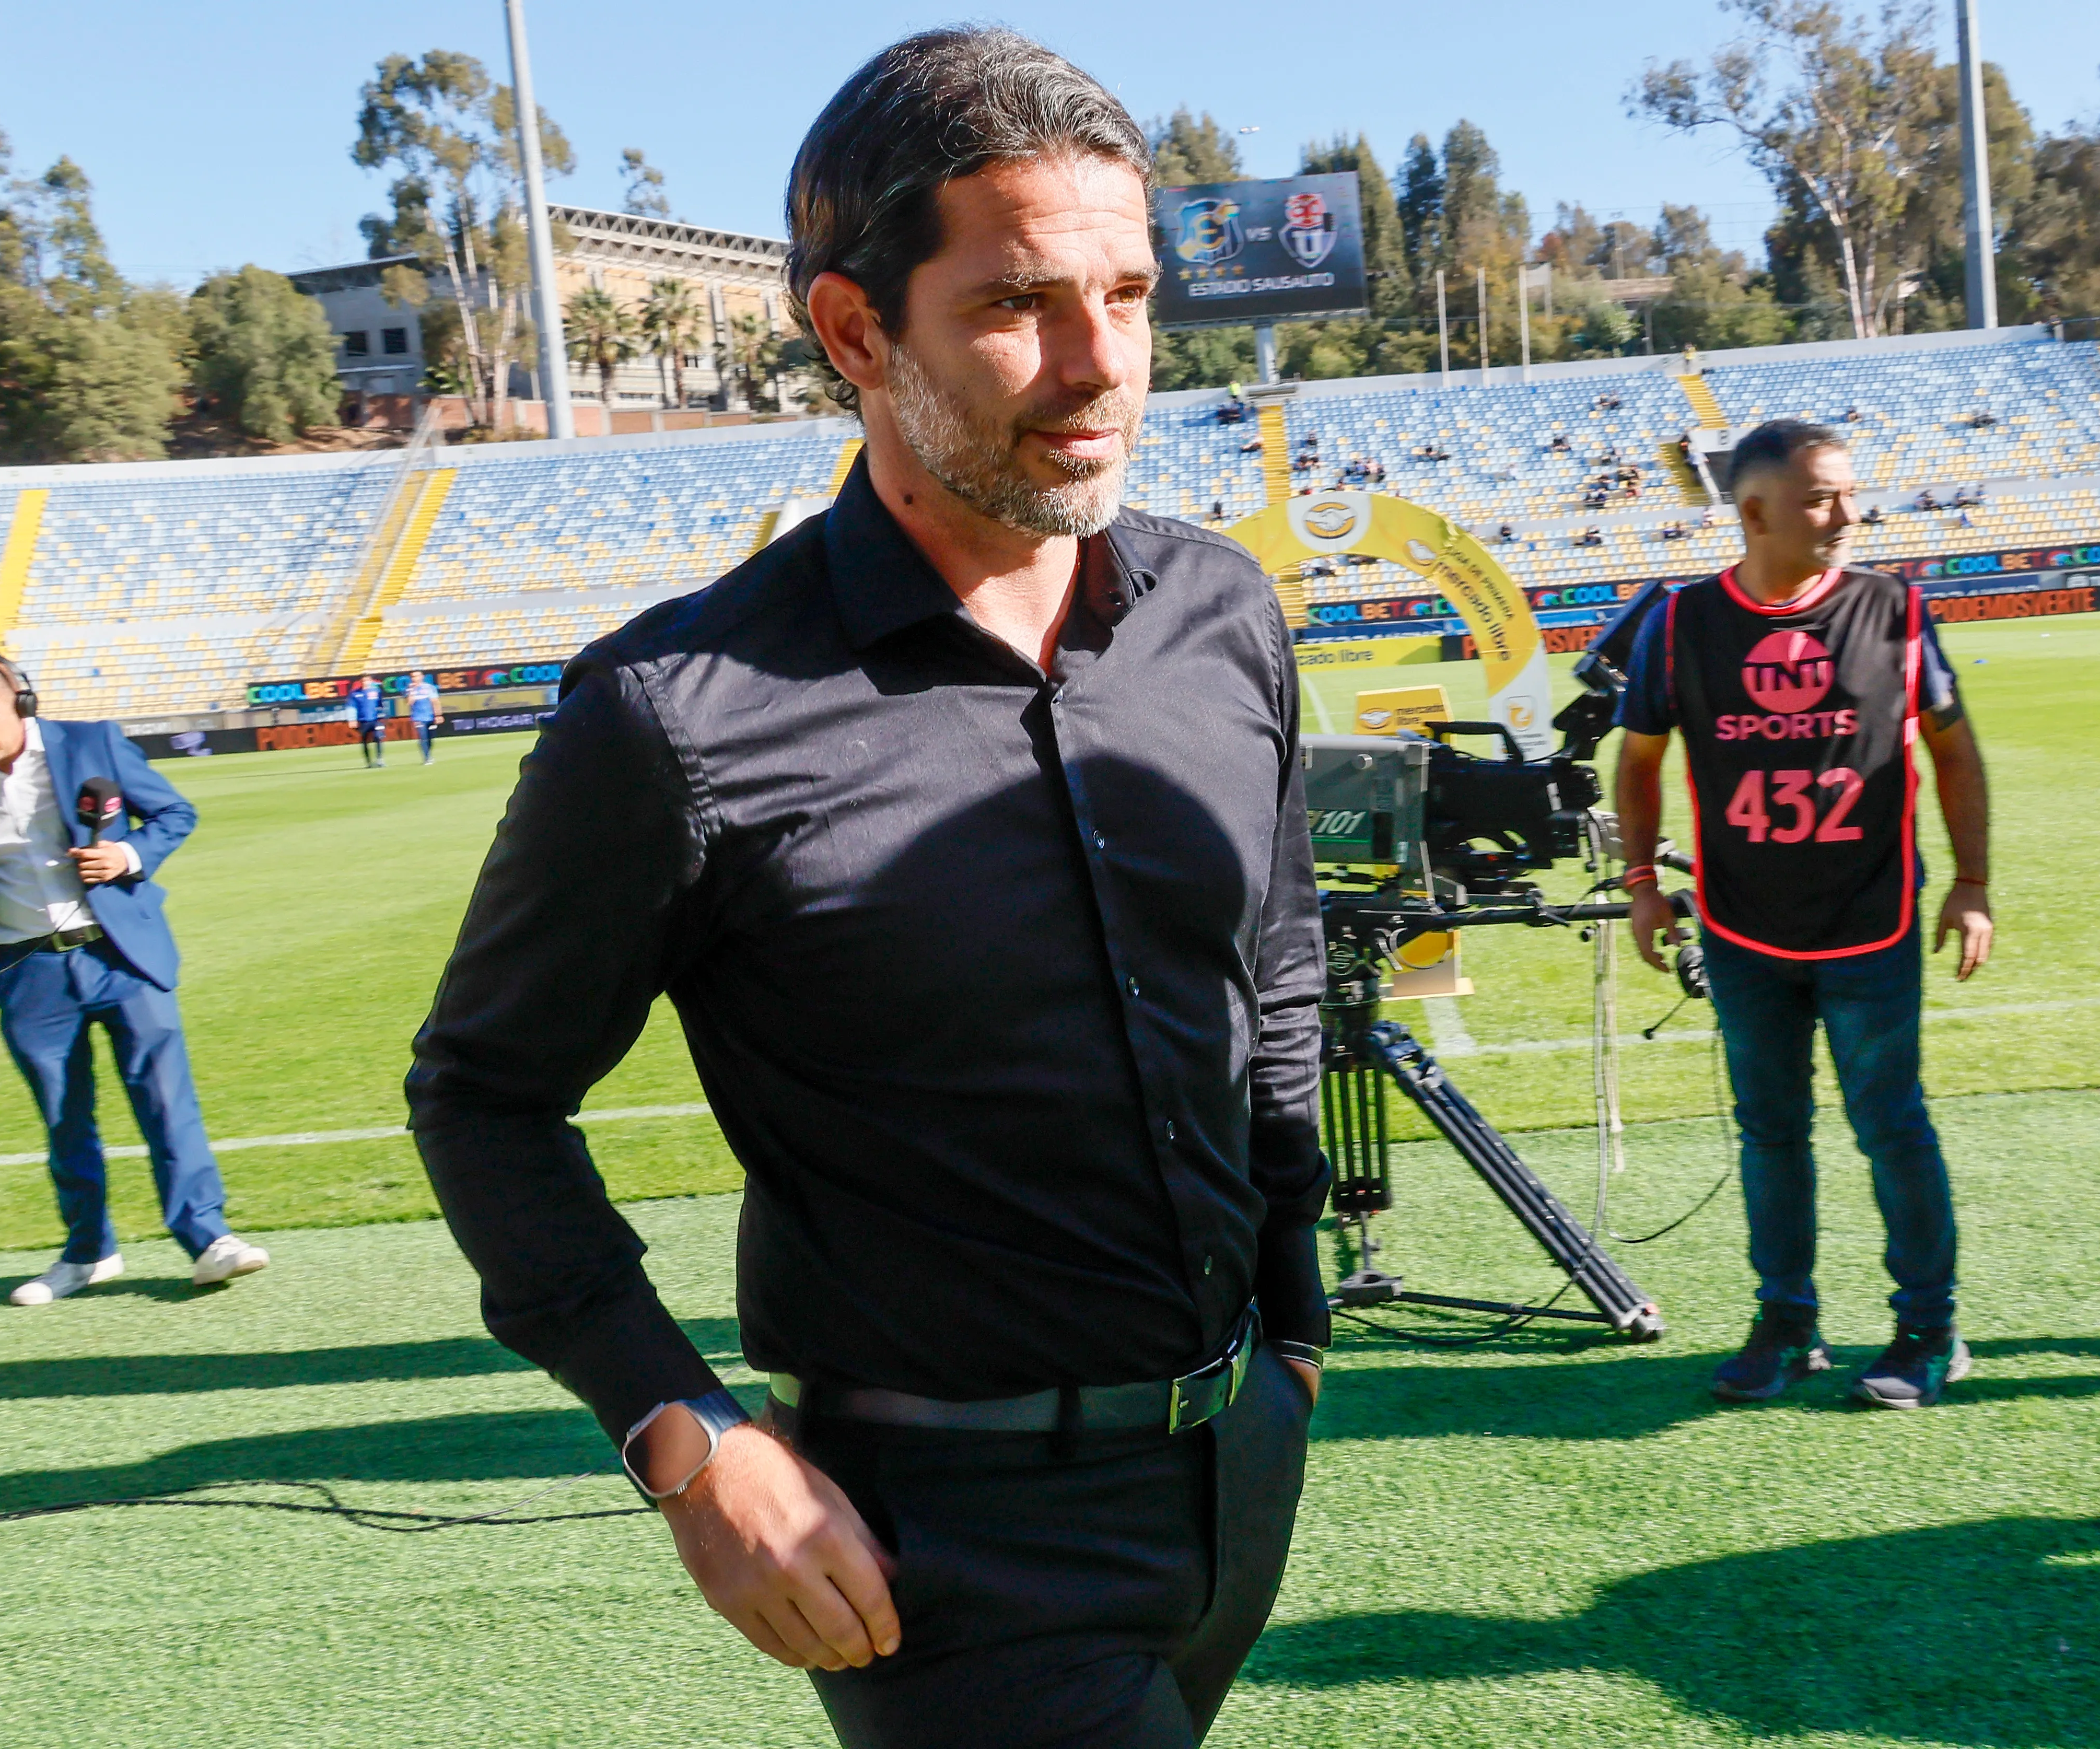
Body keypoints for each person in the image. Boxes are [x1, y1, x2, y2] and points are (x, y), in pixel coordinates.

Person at [407, 30, 1324, 1749]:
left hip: (1239, 1459)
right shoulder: (676, 713)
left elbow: (1270, 960)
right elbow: (483, 1094)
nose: (1099, 365)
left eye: (1128, 296)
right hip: (942, 1547)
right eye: (1018, 305)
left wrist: (1294, 1319)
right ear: (851, 331)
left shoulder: (1225, 613)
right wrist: (681, 1428)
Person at [1616, 419, 1994, 1409]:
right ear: (1754, 513)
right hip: (1745, 929)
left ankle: (1929, 1328)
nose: (1846, 514)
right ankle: (1787, 1323)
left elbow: (1954, 750)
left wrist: (1972, 882)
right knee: (1770, 1132)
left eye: (1848, 493)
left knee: (1891, 1126)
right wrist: (1643, 884)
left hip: (1872, 923)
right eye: (1821, 497)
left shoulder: (1894, 609)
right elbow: (1639, 760)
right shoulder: (1681, 623)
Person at [0, 649, 267, 1303]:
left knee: (165, 1101)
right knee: (64, 1117)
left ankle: (209, 1239)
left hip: (122, 956)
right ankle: (89, 1252)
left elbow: (174, 814)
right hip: (26, 971)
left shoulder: (94, 744)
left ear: (20, 701)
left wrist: (127, 854)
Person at [348, 673, 386, 768]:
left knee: (378, 737)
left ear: (371, 681)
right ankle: (369, 762)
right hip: (363, 721)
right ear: (361, 682)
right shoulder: (355, 694)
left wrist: (383, 716)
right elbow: (351, 707)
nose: (366, 683)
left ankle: (380, 759)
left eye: (368, 680)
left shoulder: (376, 691)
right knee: (365, 741)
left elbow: (381, 704)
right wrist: (352, 720)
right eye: (364, 681)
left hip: (376, 720)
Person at [405, 672, 441, 763]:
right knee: (423, 737)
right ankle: (427, 758)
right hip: (418, 717)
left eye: (417, 676)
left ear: (422, 677)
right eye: (413, 677)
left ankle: (429, 754)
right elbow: (409, 703)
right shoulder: (409, 689)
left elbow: (435, 701)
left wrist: (438, 715)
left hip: (430, 716)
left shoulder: (429, 688)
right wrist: (413, 691)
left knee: (430, 738)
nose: (415, 678)